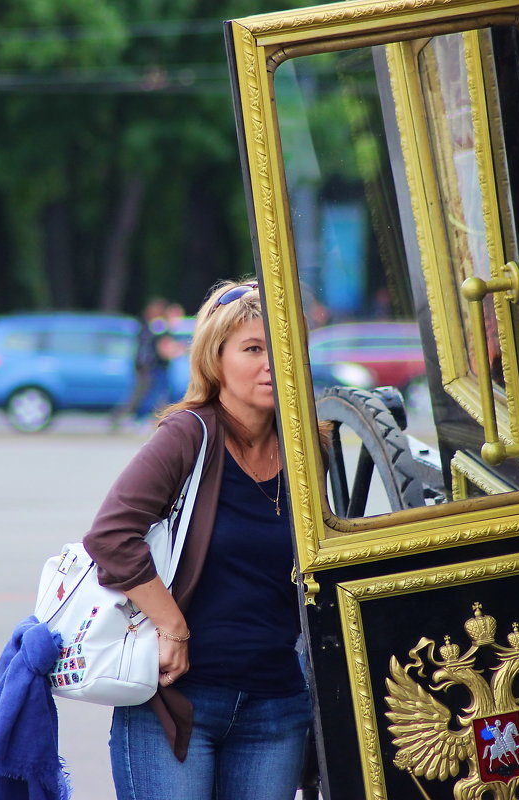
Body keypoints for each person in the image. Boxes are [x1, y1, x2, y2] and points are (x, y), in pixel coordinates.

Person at [83, 280, 311, 800]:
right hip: (178, 703)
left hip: (277, 707)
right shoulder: (189, 434)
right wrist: (172, 627)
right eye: (253, 349)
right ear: (215, 359)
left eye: (280, 348)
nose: (269, 363)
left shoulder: (309, 450)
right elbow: (111, 536)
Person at [112, 298, 172, 429]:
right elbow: (155, 346)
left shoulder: (146, 326)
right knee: (143, 394)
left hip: (147, 364)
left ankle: (128, 417)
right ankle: (128, 417)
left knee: (147, 393)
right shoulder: (153, 326)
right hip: (147, 366)